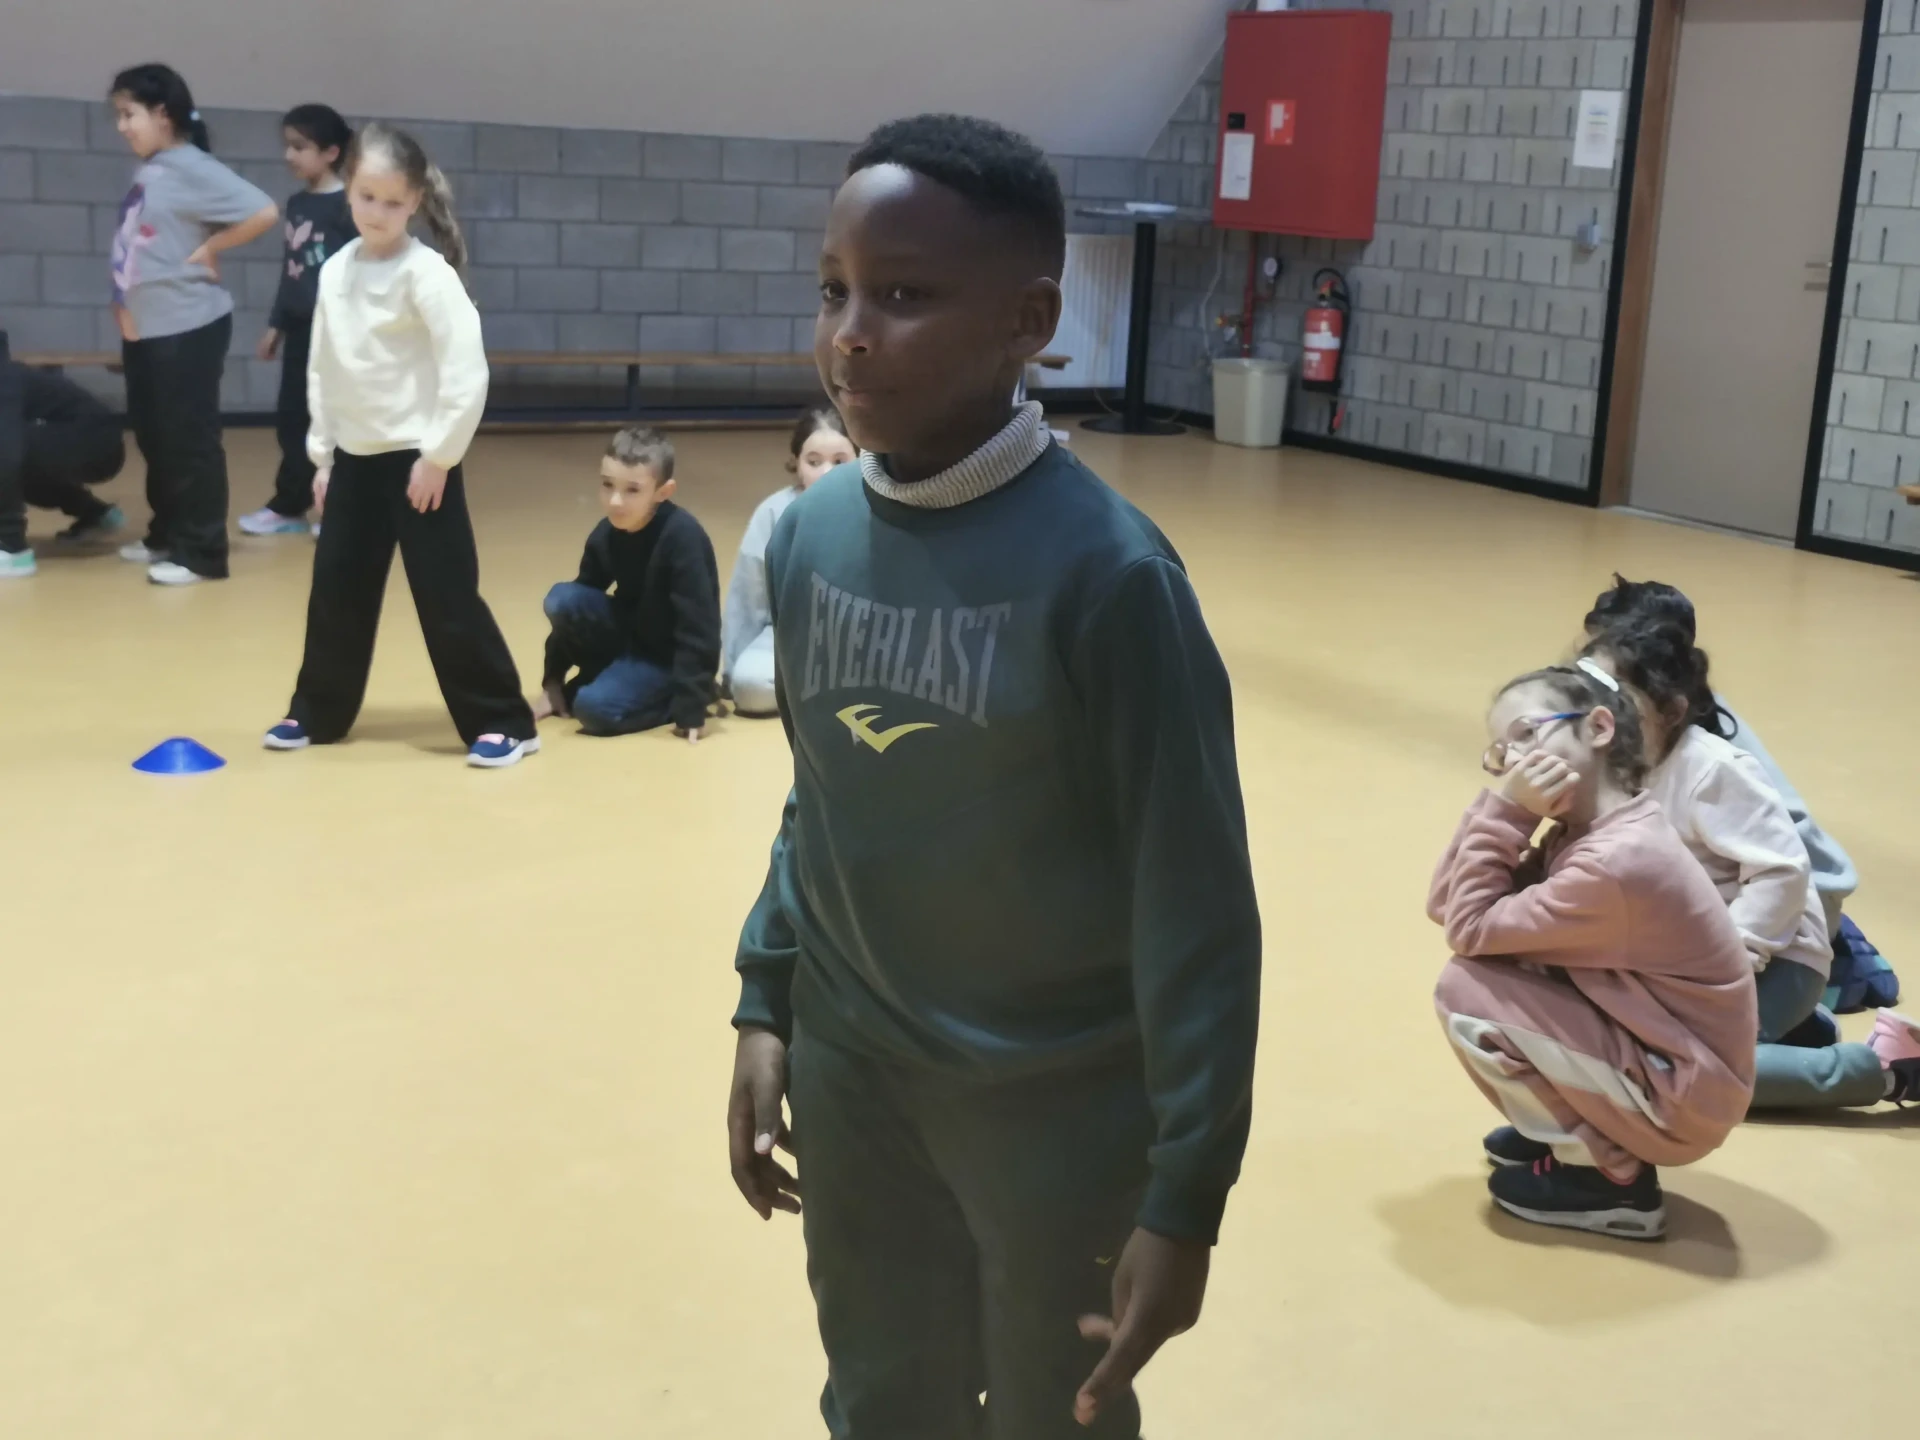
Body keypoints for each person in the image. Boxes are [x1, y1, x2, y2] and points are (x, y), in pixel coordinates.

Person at [725, 115, 1261, 1438]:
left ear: (1032, 321)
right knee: (881, 1398)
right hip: (856, 1079)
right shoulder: (808, 538)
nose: (851, 334)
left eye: (905, 296)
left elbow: (1195, 905)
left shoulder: (1111, 580)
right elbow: (818, 798)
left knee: (1049, 1412)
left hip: (1056, 1113)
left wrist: (1186, 1194)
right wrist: (766, 999)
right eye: (835, 290)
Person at [1432, 660, 1757, 1241]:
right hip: (1668, 1067)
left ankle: (1610, 1177)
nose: (1515, 763)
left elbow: (1469, 926)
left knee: (1466, 992)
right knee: (1498, 967)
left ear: (1599, 728)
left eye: (1527, 734)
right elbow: (1447, 902)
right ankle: (1587, 1123)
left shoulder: (1615, 862)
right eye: (1503, 752)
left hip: (1681, 1100)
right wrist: (1505, 808)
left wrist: (1509, 811)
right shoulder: (1587, 832)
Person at [262, 123, 537, 769]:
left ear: (414, 200)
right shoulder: (335, 272)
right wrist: (323, 456)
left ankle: (503, 720)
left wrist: (439, 455)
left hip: (419, 463)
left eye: (392, 201)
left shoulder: (427, 275)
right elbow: (323, 368)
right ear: (348, 192)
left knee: (447, 597)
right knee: (337, 592)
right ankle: (317, 710)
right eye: (366, 197)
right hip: (353, 460)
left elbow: (465, 371)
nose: (378, 212)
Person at [1582, 620, 1917, 1108]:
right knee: (1600, 1040)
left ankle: (1884, 1070)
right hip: (1688, 964)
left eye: (1618, 702)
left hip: (1774, 959)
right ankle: (1794, 1033)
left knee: (1670, 1074)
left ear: (1672, 712)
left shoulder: (1711, 770)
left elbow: (1781, 873)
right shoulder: (1612, 765)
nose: (1598, 715)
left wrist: (1730, 964)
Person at [1583, 575, 1859, 938]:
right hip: (1744, 877)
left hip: (1802, 894)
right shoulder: (1644, 713)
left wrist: (1732, 956)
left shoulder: (1706, 747)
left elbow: (1781, 868)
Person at [107, 63, 279, 585]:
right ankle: (166, 533)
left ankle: (202, 552)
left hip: (186, 325)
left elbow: (262, 211)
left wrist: (213, 246)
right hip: (148, 328)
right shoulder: (155, 168)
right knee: (157, 439)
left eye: (129, 114)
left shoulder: (191, 165)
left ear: (162, 114)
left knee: (189, 441)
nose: (121, 126)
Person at [534, 425, 721, 740]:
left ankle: (677, 696)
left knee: (592, 709)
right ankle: (612, 681)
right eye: (608, 485)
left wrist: (692, 706)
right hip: (629, 639)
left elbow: (699, 629)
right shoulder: (606, 533)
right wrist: (552, 680)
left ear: (663, 492)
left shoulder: (683, 539)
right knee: (561, 599)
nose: (615, 501)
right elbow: (574, 614)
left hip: (666, 659)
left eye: (632, 490)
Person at [239, 104, 357, 538]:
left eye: (299, 147)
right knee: (293, 420)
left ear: (331, 152)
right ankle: (290, 505)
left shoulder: (349, 206)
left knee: (336, 421)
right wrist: (277, 324)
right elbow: (293, 273)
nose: (289, 155)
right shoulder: (298, 204)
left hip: (339, 333)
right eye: (287, 146)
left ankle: (340, 509)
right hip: (301, 331)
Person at [720, 405, 853, 715]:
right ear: (796, 463)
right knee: (750, 687)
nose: (827, 472)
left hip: (859, 641)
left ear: (861, 459)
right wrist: (731, 670)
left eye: (840, 462)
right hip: (789, 637)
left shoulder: (879, 509)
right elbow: (748, 598)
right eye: (814, 462)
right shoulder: (773, 513)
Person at [0, 333, 128, 577]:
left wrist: (7, 532)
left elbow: (6, 453)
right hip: (84, 439)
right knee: (15, 457)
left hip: (96, 444)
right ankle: (95, 514)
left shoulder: (4, 376)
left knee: (9, 452)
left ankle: (11, 549)